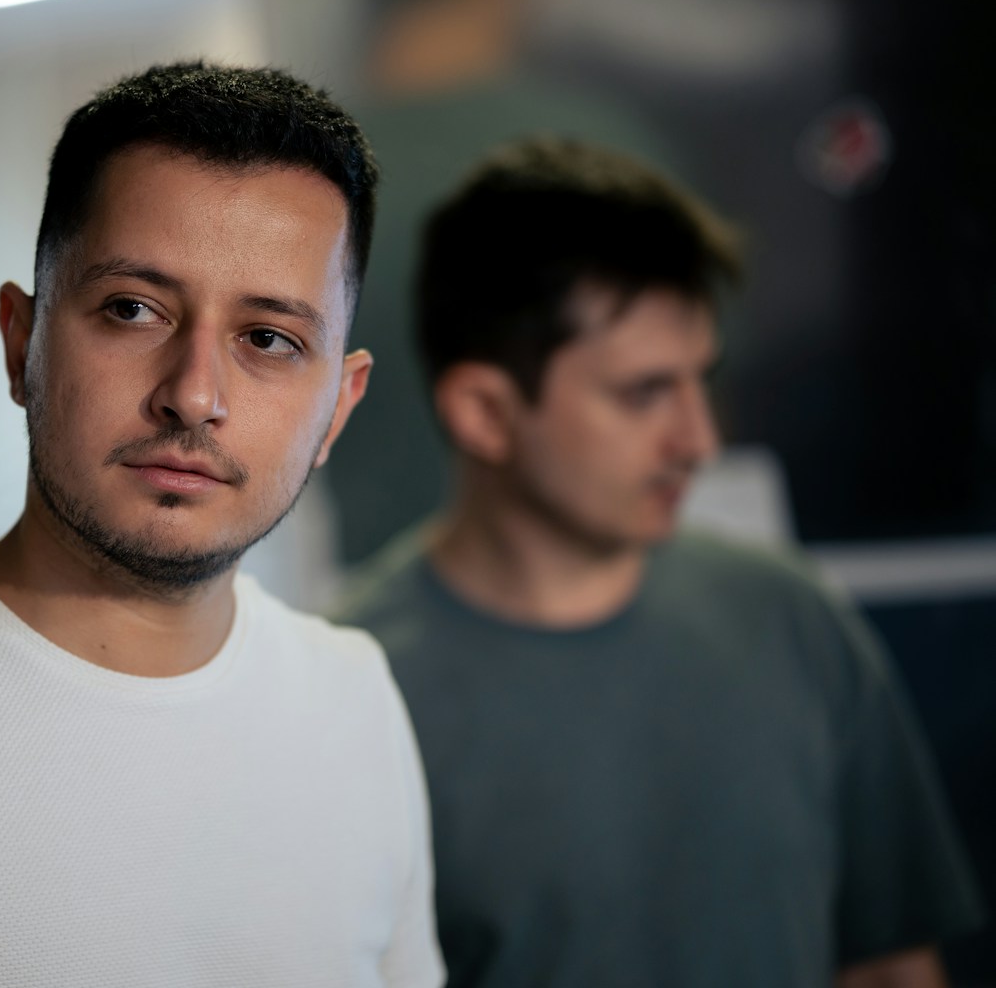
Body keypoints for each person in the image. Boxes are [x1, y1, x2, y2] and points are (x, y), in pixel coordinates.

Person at [0, 62, 443, 987]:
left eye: (268, 338)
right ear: (19, 342)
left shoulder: (356, 701)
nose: (194, 395)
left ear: (339, 409)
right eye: (133, 310)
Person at [335, 136, 984, 988]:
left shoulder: (793, 620)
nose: (699, 441)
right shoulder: (348, 691)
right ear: (486, 413)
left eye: (699, 382)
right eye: (645, 393)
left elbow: (893, 967)